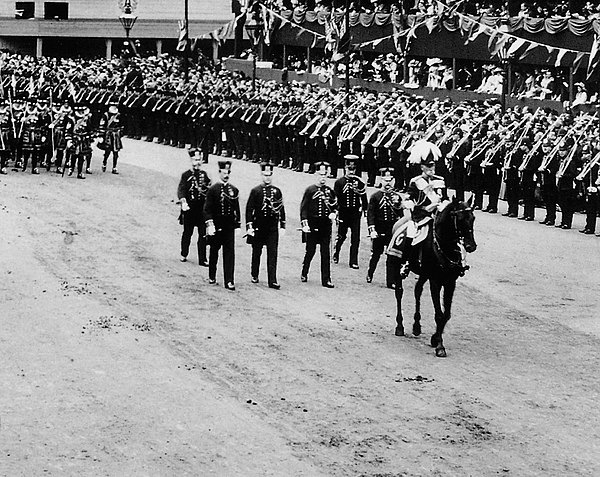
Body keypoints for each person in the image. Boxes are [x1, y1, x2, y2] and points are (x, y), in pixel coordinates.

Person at [245, 162, 286, 289]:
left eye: (269, 175)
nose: (267, 177)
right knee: (257, 252)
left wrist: (283, 225)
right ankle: (254, 273)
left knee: (272, 254)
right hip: (259, 226)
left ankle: (272, 280)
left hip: (272, 228)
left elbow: (281, 209)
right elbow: (249, 209)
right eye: (265, 175)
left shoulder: (277, 191)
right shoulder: (256, 191)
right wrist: (250, 226)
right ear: (261, 175)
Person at [300, 161, 338, 288]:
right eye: (320, 174)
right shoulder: (310, 190)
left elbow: (335, 205)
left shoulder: (329, 191)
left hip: (325, 225)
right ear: (316, 174)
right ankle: (304, 271)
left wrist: (334, 214)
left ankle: (326, 279)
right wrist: (305, 224)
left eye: (325, 175)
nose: (323, 178)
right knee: (310, 251)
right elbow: (303, 208)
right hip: (313, 224)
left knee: (325, 253)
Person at [204, 160, 240, 291]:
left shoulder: (234, 190)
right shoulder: (213, 190)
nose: (226, 175)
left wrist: (237, 225)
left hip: (228, 226)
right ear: (219, 172)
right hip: (217, 225)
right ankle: (212, 275)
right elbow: (207, 209)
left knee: (230, 253)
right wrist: (210, 224)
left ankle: (229, 280)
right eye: (224, 172)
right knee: (214, 251)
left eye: (228, 172)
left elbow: (236, 209)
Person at [366, 166, 404, 287]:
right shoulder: (375, 196)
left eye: (390, 180)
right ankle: (370, 273)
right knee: (376, 254)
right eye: (385, 180)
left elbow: (401, 215)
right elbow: (370, 215)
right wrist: (372, 229)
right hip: (379, 228)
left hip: (392, 230)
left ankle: (390, 281)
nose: (388, 183)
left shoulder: (397, 197)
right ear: (381, 180)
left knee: (392, 257)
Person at [177, 148, 211, 266]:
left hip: (201, 209)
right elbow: (181, 190)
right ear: (191, 160)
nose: (198, 162)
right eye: (195, 159)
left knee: (203, 234)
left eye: (199, 159)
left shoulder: (204, 175)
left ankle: (202, 259)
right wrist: (183, 201)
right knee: (187, 232)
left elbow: (208, 190)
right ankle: (184, 253)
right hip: (189, 208)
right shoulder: (186, 175)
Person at [333, 155, 368, 269]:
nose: (351, 171)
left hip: (355, 213)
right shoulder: (339, 182)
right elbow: (335, 198)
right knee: (342, 236)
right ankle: (336, 252)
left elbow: (363, 197)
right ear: (345, 168)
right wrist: (336, 212)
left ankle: (353, 260)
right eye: (349, 169)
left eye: (353, 169)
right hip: (343, 212)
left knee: (356, 238)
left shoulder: (359, 182)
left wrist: (365, 211)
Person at [99, 104, 123, 174]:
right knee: (107, 151)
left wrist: (120, 132)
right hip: (108, 135)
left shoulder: (118, 115)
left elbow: (121, 124)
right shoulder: (106, 115)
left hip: (115, 135)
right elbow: (102, 124)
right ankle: (104, 162)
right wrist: (101, 135)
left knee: (116, 152)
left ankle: (114, 167)